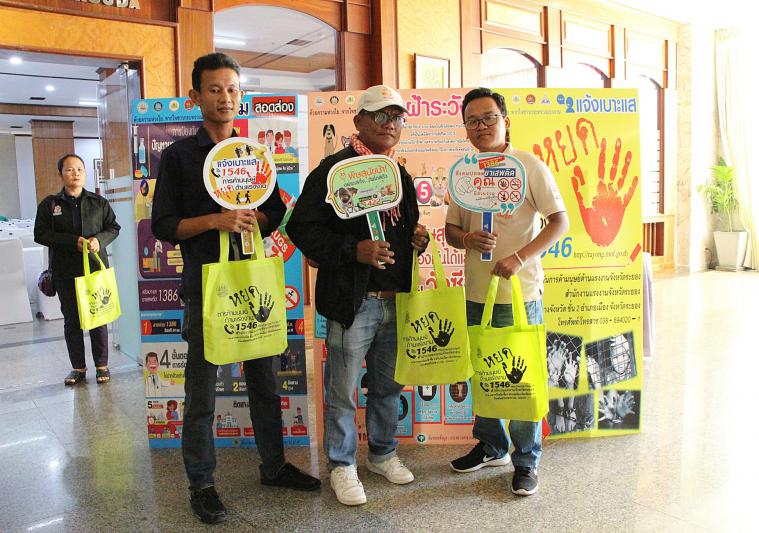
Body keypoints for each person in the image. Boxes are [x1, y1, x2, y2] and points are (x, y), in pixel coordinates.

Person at [151, 52, 319, 525]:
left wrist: (252, 219)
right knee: (201, 394)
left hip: (252, 285)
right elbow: (163, 224)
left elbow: (275, 213)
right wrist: (215, 220)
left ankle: (274, 466)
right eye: (214, 89)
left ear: (241, 95)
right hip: (206, 287)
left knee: (264, 383)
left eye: (232, 89)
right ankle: (201, 483)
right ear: (195, 96)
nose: (225, 97)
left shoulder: (252, 155)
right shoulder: (179, 156)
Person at [287, 85, 429, 506]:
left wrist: (415, 240)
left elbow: (405, 227)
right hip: (353, 301)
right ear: (359, 121)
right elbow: (302, 228)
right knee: (342, 390)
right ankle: (342, 464)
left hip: (395, 299)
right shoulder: (332, 171)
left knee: (388, 386)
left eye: (397, 117)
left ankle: (382, 454)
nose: (390, 124)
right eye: (380, 115)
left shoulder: (399, 173)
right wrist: (354, 250)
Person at [445, 88, 569, 497]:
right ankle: (491, 445)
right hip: (476, 293)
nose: (481, 126)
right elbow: (450, 230)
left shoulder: (529, 166)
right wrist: (466, 239)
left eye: (489, 118)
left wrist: (519, 257)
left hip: (520, 293)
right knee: (484, 373)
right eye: (473, 121)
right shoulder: (464, 172)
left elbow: (560, 222)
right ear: (466, 129)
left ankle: (526, 460)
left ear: (505, 121)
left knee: (521, 377)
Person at [34, 153, 120, 386]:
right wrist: (73, 242)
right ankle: (78, 368)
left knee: (98, 318)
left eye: (80, 169)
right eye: (70, 169)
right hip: (65, 272)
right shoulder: (51, 204)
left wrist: (99, 240)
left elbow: (113, 227)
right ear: (61, 174)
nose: (76, 173)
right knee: (72, 321)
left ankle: (102, 365)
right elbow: (40, 234)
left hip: (94, 270)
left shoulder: (98, 202)